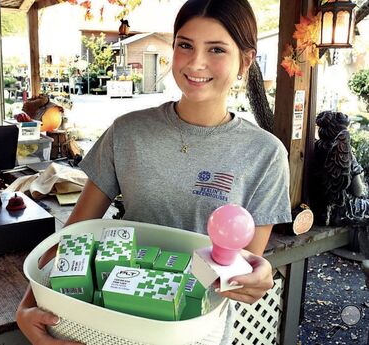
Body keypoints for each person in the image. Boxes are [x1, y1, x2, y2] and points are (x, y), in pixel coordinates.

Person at [16, 0, 292, 344]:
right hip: (112, 317)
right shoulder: (127, 132)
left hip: (194, 329)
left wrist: (256, 277)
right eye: (185, 45)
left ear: (245, 61)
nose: (196, 63)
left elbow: (242, 267)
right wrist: (26, 307)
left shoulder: (265, 154)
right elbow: (74, 236)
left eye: (217, 49)